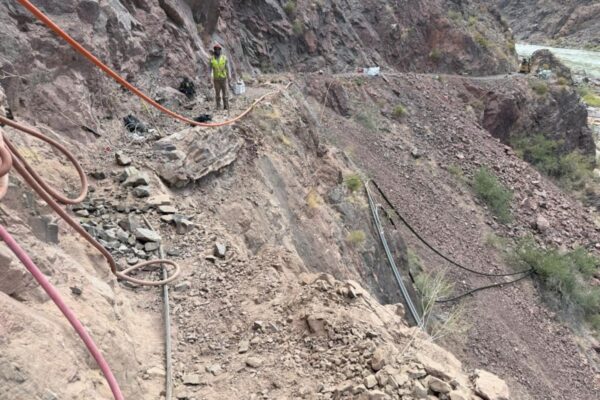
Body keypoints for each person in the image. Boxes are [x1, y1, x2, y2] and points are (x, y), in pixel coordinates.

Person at [209, 43, 229, 110]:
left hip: (223, 78)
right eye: (216, 49)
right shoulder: (212, 59)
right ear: (214, 50)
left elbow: (227, 67)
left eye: (218, 49)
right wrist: (209, 77)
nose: (217, 50)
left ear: (220, 50)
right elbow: (210, 69)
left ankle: (226, 106)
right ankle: (218, 106)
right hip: (216, 79)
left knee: (225, 93)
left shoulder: (224, 58)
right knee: (217, 93)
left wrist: (229, 76)